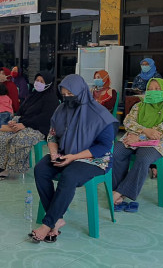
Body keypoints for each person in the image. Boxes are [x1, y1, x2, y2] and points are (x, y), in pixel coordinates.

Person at [31, 74, 117, 243]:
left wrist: (74, 157)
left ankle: (48, 224)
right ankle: (57, 219)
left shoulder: (99, 114)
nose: (68, 98)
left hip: (95, 158)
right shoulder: (61, 110)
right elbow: (52, 135)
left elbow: (104, 146)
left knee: (69, 175)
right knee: (41, 169)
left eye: (71, 95)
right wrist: (54, 153)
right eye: (64, 95)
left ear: (82, 92)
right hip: (66, 153)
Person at [0, 72, 59, 181]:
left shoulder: (51, 99)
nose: (38, 83)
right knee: (0, 133)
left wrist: (24, 124)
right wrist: (15, 119)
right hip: (24, 123)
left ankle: (7, 170)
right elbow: (22, 109)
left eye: (42, 82)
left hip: (39, 128)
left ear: (48, 84)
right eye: (37, 80)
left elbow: (44, 118)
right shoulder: (33, 95)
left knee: (18, 138)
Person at [112, 78, 163, 210]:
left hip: (159, 142)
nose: (153, 92)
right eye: (150, 89)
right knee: (116, 151)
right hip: (133, 138)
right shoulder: (139, 106)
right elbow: (128, 122)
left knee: (144, 157)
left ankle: (119, 193)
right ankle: (117, 190)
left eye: (157, 89)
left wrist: (139, 136)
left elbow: (162, 131)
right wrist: (144, 131)